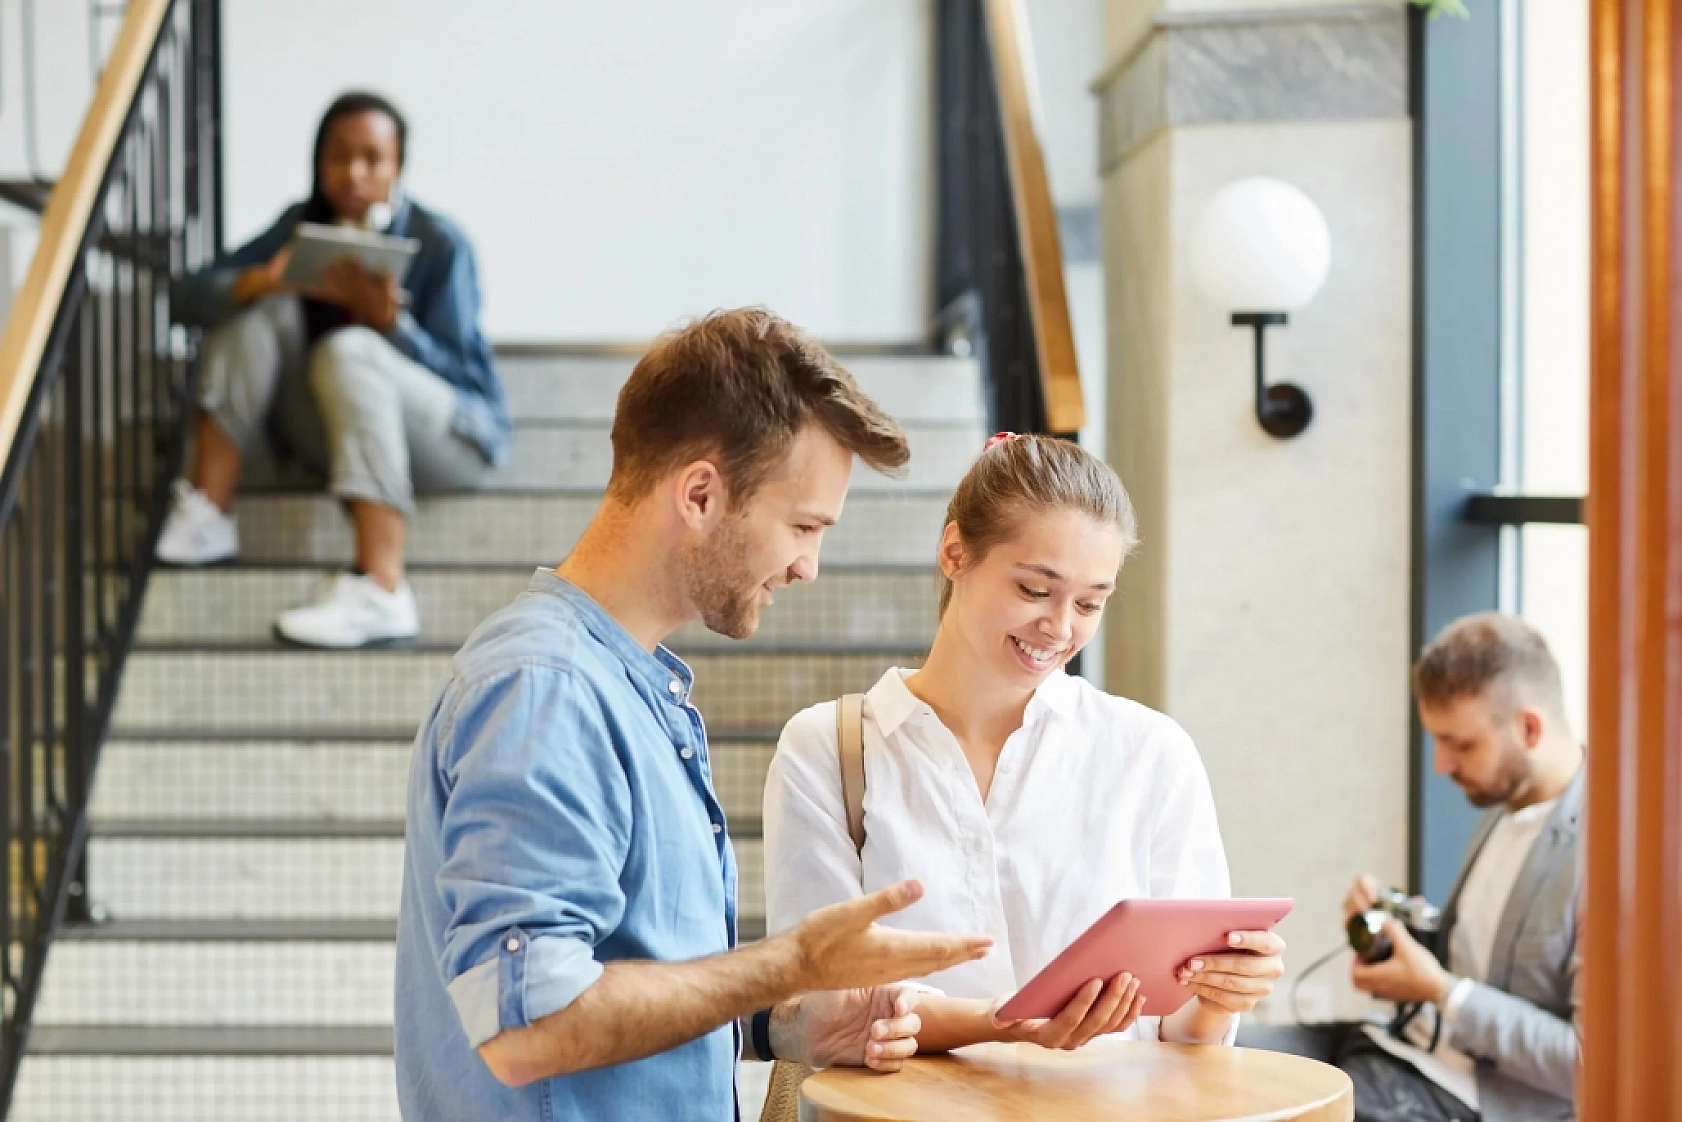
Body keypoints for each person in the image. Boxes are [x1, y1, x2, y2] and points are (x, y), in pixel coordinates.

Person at [394, 309, 994, 1121]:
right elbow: (527, 1025)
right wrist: (787, 965)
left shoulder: (621, 682)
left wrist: (787, 1025)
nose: (809, 566)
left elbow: (632, 976)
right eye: (804, 526)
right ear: (702, 493)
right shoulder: (547, 688)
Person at [764, 433, 1286, 1056]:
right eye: (1035, 590)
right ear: (955, 552)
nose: (1060, 628)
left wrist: (1217, 998)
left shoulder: (1150, 754)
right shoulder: (829, 750)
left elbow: (1182, 1031)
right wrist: (1006, 1022)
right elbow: (812, 1009)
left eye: (1091, 603)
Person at [160, 90, 509, 648]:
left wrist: (393, 329)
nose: (354, 173)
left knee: (349, 349)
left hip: (451, 441)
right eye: (338, 156)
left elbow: (467, 378)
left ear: (397, 167)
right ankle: (207, 515)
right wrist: (259, 280)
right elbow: (183, 299)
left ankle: (381, 589)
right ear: (318, 165)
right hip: (335, 437)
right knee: (255, 305)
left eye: (372, 158)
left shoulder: (441, 244)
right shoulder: (299, 226)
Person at [1240, 612, 1583, 1122]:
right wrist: (1399, 932)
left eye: (1461, 744)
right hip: (1394, 1045)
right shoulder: (1503, 810)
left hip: (1467, 1096)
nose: (1441, 765)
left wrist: (1441, 991)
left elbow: (1584, 1060)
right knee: (1215, 1059)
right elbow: (1485, 956)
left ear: (1530, 728)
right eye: (1437, 741)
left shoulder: (1610, 859)